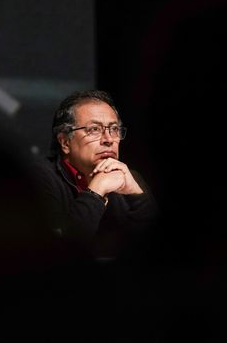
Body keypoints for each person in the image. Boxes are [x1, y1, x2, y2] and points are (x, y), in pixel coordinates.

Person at [32, 90, 158, 260]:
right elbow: (60, 253)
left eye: (114, 129)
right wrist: (96, 191)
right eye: (94, 129)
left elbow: (162, 248)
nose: (108, 139)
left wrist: (136, 194)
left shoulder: (128, 178)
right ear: (65, 142)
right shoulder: (40, 178)